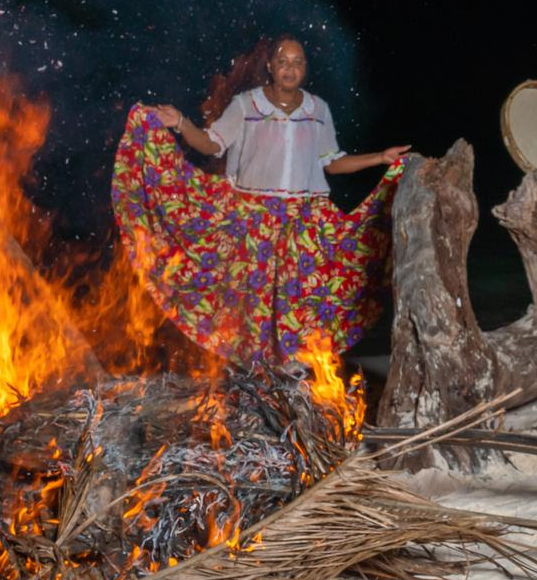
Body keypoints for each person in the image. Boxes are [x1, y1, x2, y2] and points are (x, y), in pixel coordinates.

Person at [113, 35, 409, 362]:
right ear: (270, 66)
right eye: (283, 61)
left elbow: (331, 161)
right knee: (252, 306)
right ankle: (258, 378)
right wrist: (181, 123)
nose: (290, 69)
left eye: (298, 62)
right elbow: (212, 144)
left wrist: (381, 157)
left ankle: (297, 372)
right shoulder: (245, 105)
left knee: (305, 298)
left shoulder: (318, 110)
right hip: (253, 222)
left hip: (305, 223)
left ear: (305, 68)